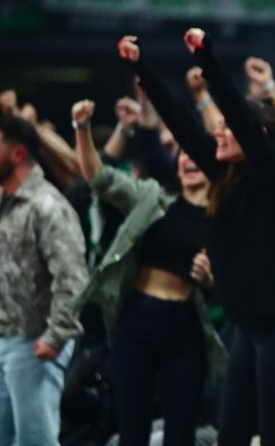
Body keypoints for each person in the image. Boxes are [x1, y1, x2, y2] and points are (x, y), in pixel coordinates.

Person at [118, 33, 275, 446]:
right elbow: (183, 125)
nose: (219, 133)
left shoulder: (274, 176)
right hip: (247, 329)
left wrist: (207, 59)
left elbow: (240, 117)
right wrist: (141, 68)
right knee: (231, 437)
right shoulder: (226, 175)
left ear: (256, 133)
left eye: (227, 127)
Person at [70, 99, 227, 446]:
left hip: (186, 325)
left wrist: (209, 280)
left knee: (180, 432)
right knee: (132, 430)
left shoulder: (223, 218)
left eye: (196, 155)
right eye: (182, 154)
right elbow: (99, 177)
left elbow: (229, 285)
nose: (188, 160)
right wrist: (82, 129)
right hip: (136, 319)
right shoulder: (153, 197)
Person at [0, 114, 88, 445]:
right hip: (5, 335)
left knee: (35, 439)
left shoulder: (48, 206)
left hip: (34, 343)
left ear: (17, 153)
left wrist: (56, 335)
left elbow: (72, 277)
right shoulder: (7, 205)